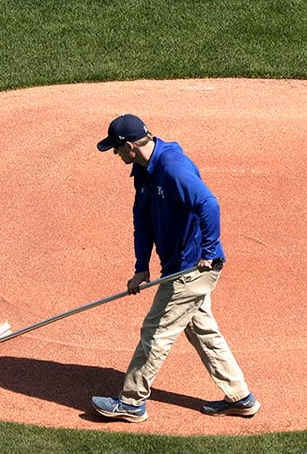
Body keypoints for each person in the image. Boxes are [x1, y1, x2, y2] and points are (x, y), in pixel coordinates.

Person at [90, 114, 259, 423]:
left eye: (116, 150)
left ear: (129, 147)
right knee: (203, 331)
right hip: (176, 266)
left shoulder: (172, 168)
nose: (115, 156)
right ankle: (240, 397)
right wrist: (142, 267)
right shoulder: (143, 170)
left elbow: (209, 204)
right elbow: (142, 222)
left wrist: (208, 250)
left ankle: (131, 401)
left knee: (156, 332)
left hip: (192, 269)